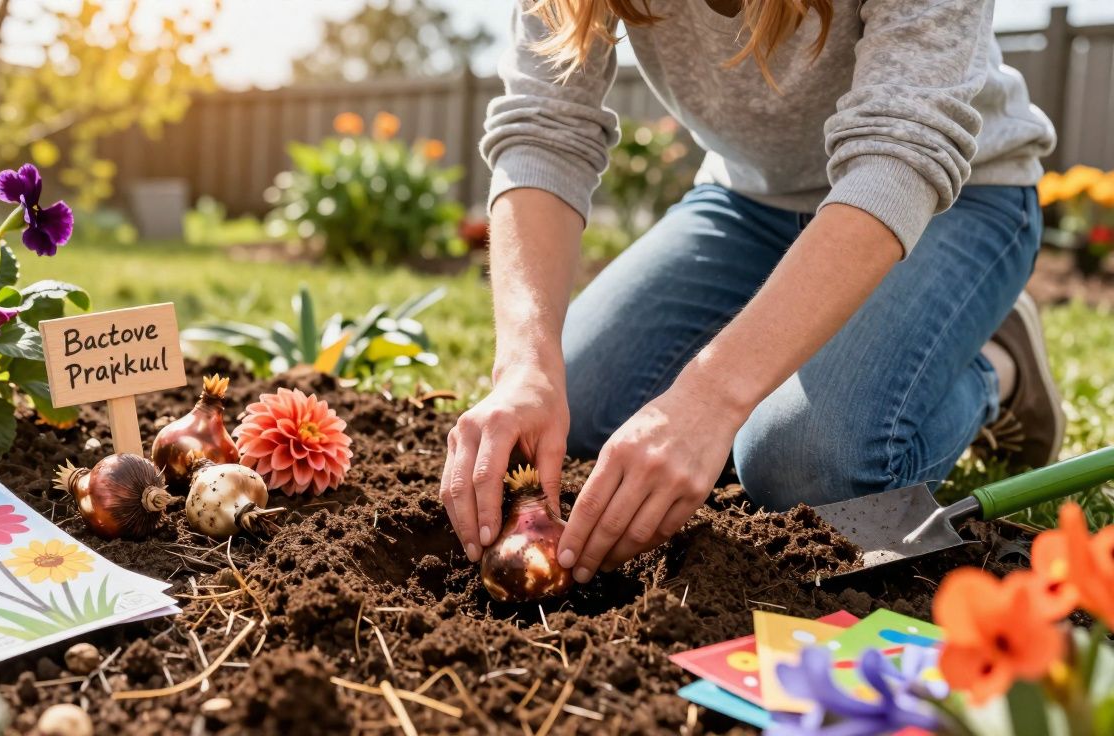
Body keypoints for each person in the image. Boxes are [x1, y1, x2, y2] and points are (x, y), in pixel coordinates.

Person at [439, 0, 1062, 587]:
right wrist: (526, 365)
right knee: (581, 402)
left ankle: (996, 367)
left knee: (804, 467)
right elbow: (545, 128)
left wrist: (710, 398)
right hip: (748, 204)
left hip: (946, 200)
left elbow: (899, 152)